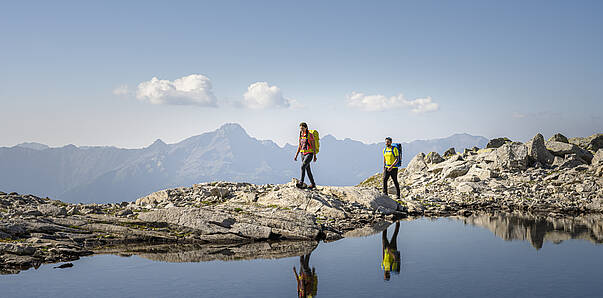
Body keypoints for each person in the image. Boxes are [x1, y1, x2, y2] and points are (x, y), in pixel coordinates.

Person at [294, 122, 317, 189]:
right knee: (308, 169)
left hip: (309, 154)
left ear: (306, 128)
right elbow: (300, 146)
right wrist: (296, 155)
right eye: (300, 128)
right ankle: (313, 184)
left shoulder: (310, 135)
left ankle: (301, 183)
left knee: (302, 166)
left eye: (303, 128)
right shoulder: (301, 135)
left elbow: (313, 146)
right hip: (302, 154)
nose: (301, 130)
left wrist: (315, 156)